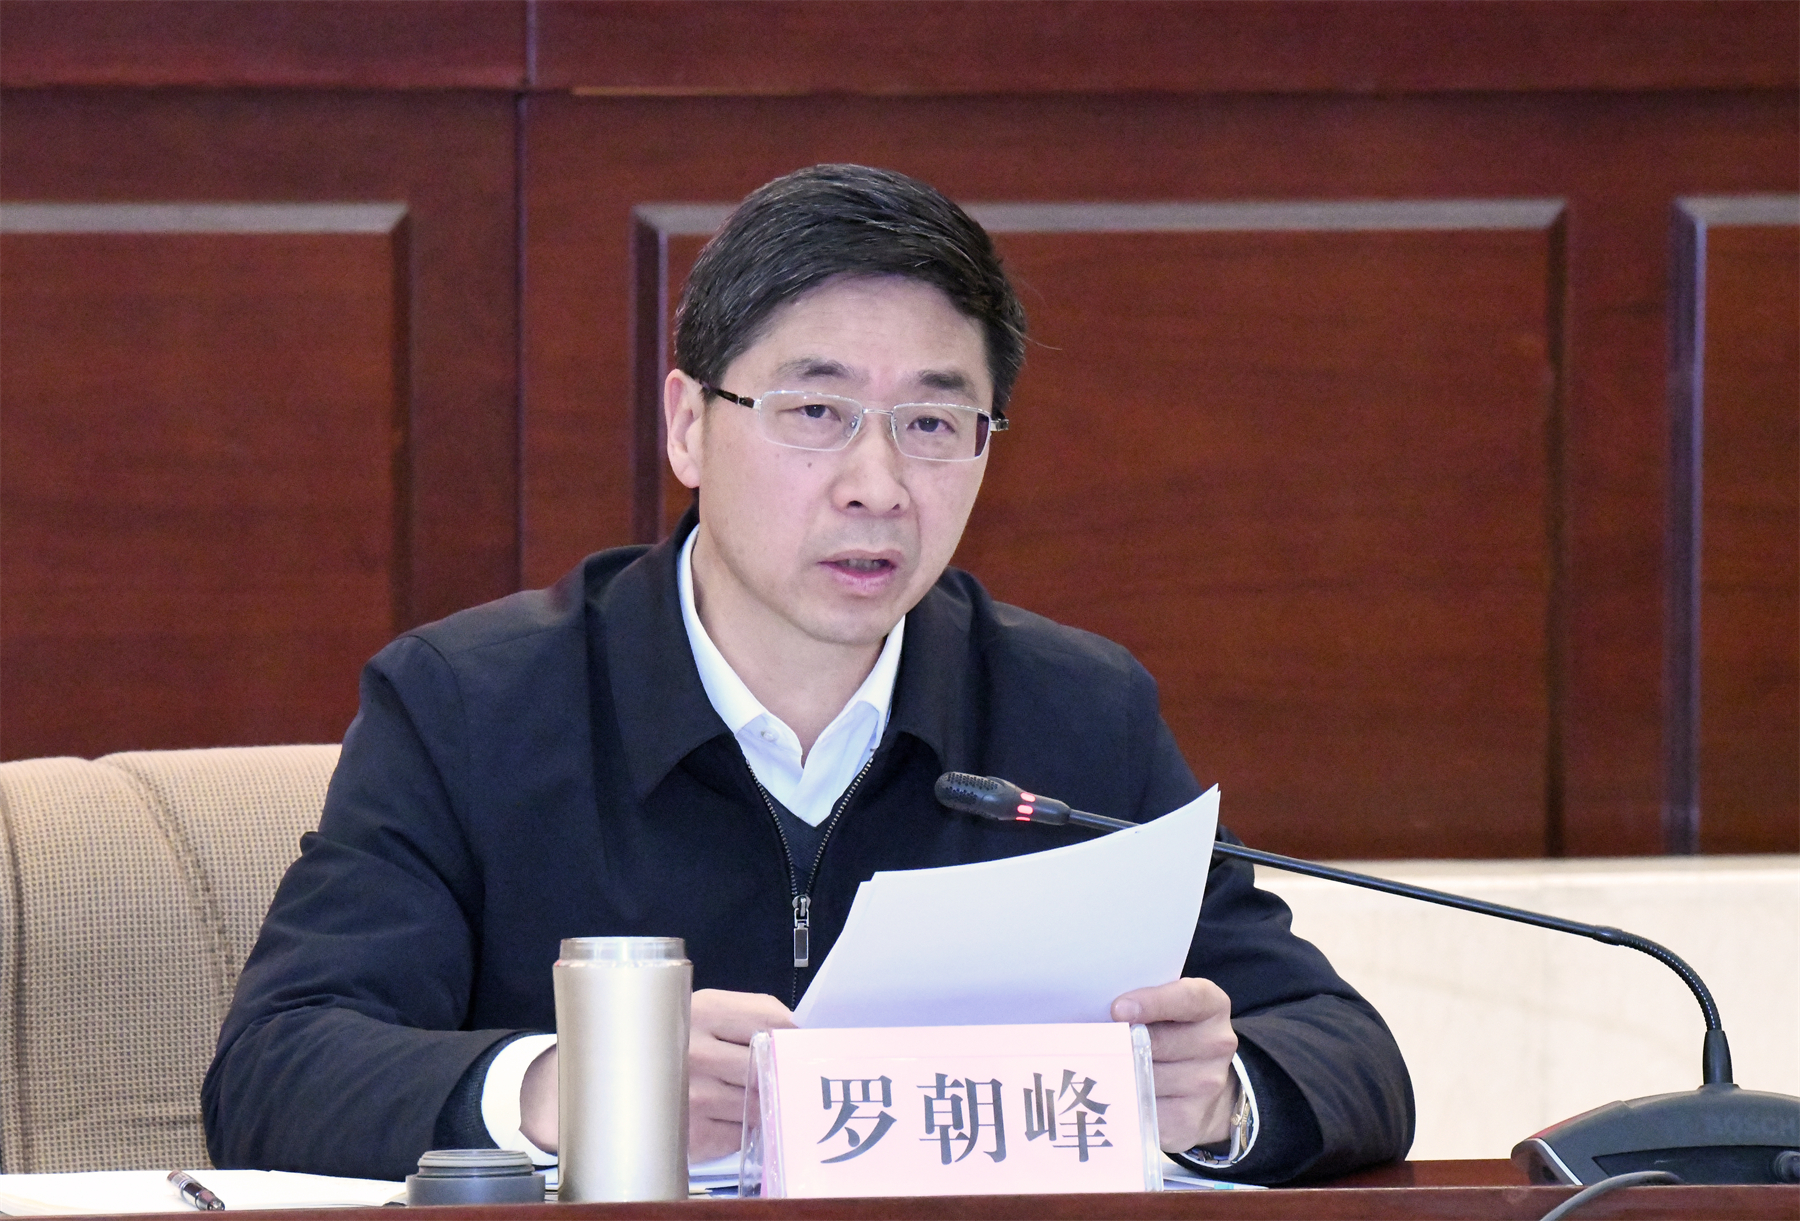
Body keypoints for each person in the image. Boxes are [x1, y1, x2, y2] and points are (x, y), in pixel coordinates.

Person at [203, 164, 1412, 1185]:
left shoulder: (1076, 712)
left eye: (932, 425)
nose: (877, 486)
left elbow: (1344, 1051)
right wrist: (568, 1087)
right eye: (816, 411)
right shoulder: (470, 705)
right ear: (689, 424)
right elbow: (273, 1071)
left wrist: (1220, 1099)